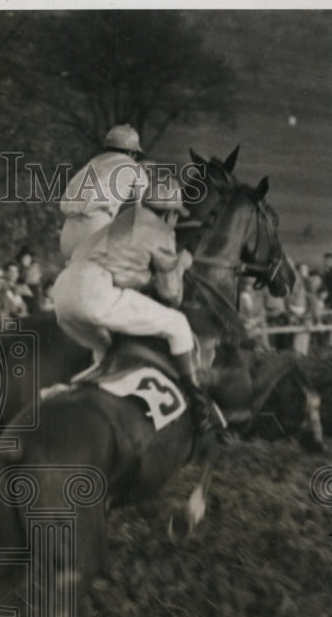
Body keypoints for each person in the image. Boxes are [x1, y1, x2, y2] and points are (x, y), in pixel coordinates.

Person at [51, 176, 219, 434]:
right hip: (94, 290)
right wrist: (181, 263)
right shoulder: (162, 231)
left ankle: (80, 396)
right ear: (169, 214)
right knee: (178, 324)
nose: (175, 220)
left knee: (105, 353)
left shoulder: (123, 218)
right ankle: (200, 409)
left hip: (62, 291)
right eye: (175, 215)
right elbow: (171, 295)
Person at [58, 124, 149, 259]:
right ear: (132, 152)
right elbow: (141, 209)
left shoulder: (92, 162)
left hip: (68, 232)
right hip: (95, 229)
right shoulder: (134, 167)